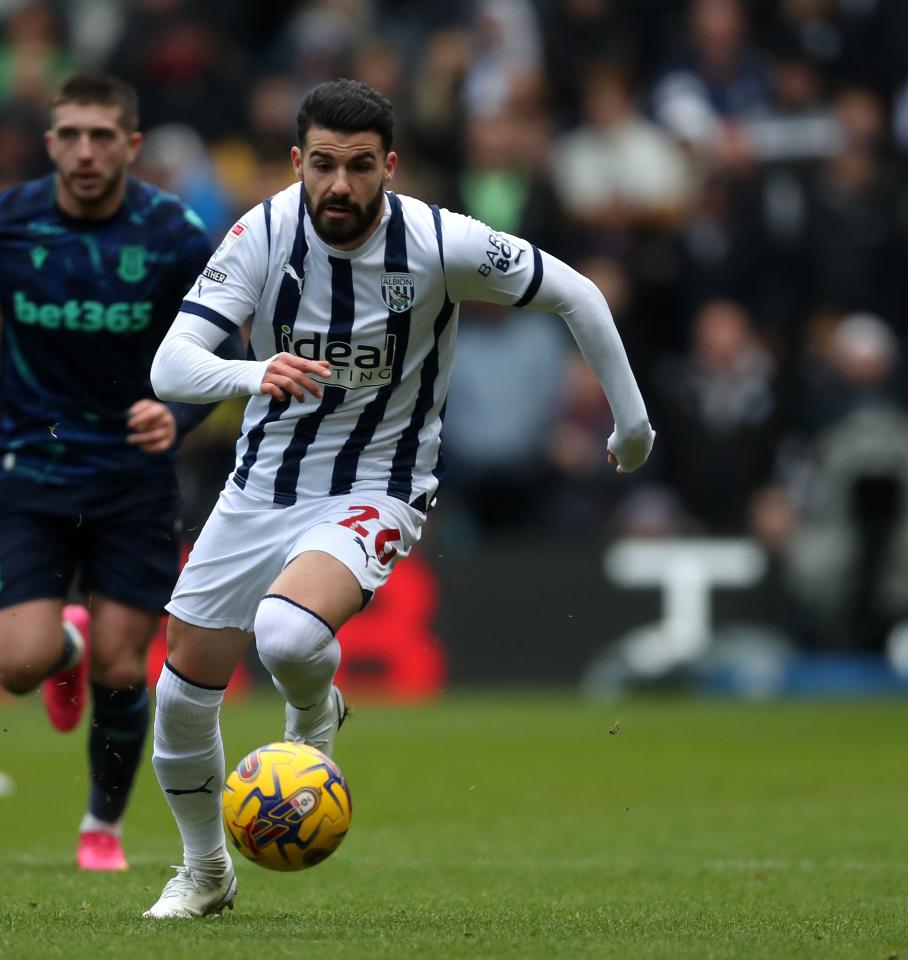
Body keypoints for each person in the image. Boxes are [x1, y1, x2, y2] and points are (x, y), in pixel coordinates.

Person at [142, 78, 656, 918]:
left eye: (356, 167)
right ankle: (205, 873)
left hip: (378, 485)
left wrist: (631, 426)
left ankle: (313, 711)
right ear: (296, 163)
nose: (337, 185)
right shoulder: (261, 232)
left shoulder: (441, 242)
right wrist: (251, 371)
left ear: (389, 166)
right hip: (259, 485)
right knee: (179, 699)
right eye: (320, 166)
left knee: (287, 631)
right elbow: (172, 365)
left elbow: (579, 294)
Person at [0, 74, 218, 872]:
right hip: (32, 467)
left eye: (101, 136)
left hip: (135, 476)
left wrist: (183, 415)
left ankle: (103, 827)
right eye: (70, 135)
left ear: (131, 145)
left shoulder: (176, 235)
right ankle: (63, 644)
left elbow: (224, 340)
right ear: (49, 142)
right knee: (17, 665)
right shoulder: (2, 225)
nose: (84, 151)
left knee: (125, 670)